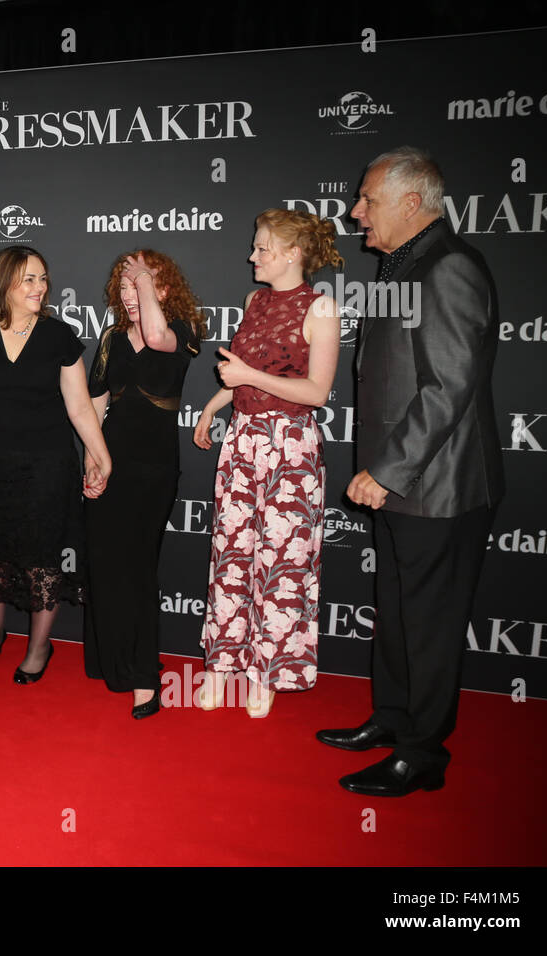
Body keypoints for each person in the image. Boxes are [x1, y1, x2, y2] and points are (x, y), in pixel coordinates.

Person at [318, 147, 503, 797]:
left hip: (437, 487)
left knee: (428, 623)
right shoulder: (407, 265)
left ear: (411, 201)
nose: (355, 211)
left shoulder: (449, 267)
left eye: (367, 199)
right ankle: (393, 720)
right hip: (406, 486)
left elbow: (448, 386)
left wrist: (388, 470)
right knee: (396, 613)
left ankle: (423, 756)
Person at [193, 210, 342, 718]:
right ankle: (221, 663)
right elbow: (239, 376)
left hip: (291, 446)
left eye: (261, 248)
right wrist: (215, 407)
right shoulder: (254, 301)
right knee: (232, 552)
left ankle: (267, 672)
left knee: (282, 562)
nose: (252, 256)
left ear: (293, 253)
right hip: (243, 439)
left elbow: (316, 392)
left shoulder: (322, 309)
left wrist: (246, 376)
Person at [0, 246, 111, 683]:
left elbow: (79, 408)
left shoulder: (59, 337)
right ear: (5, 284)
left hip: (47, 468)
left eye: (42, 279)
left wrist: (101, 455)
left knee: (43, 558)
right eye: (29, 279)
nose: (40, 287)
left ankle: (39, 647)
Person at [84, 250, 204, 720]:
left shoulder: (185, 334)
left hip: (152, 469)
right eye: (125, 286)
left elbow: (155, 336)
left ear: (164, 290)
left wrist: (144, 281)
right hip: (110, 459)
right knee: (103, 562)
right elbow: (95, 404)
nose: (130, 294)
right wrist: (93, 462)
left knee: (136, 569)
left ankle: (144, 677)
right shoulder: (112, 337)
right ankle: (110, 661)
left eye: (142, 285)